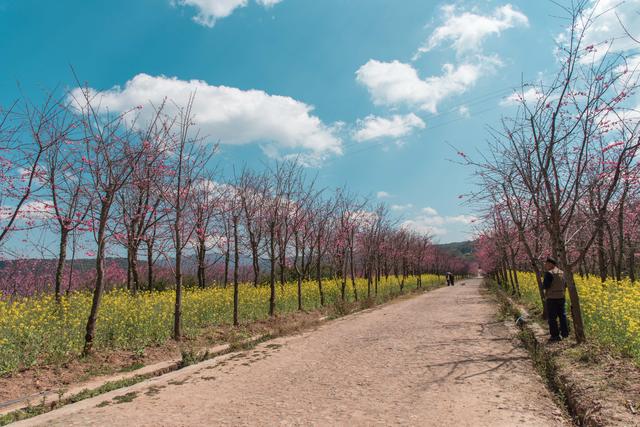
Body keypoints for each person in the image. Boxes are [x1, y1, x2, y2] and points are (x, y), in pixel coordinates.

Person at [542, 257, 569, 342]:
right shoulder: (562, 273)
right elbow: (565, 285)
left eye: (546, 264)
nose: (545, 265)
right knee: (562, 316)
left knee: (552, 318)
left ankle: (555, 336)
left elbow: (546, 285)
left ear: (551, 264)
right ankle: (565, 333)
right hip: (561, 297)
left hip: (552, 298)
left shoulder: (549, 273)